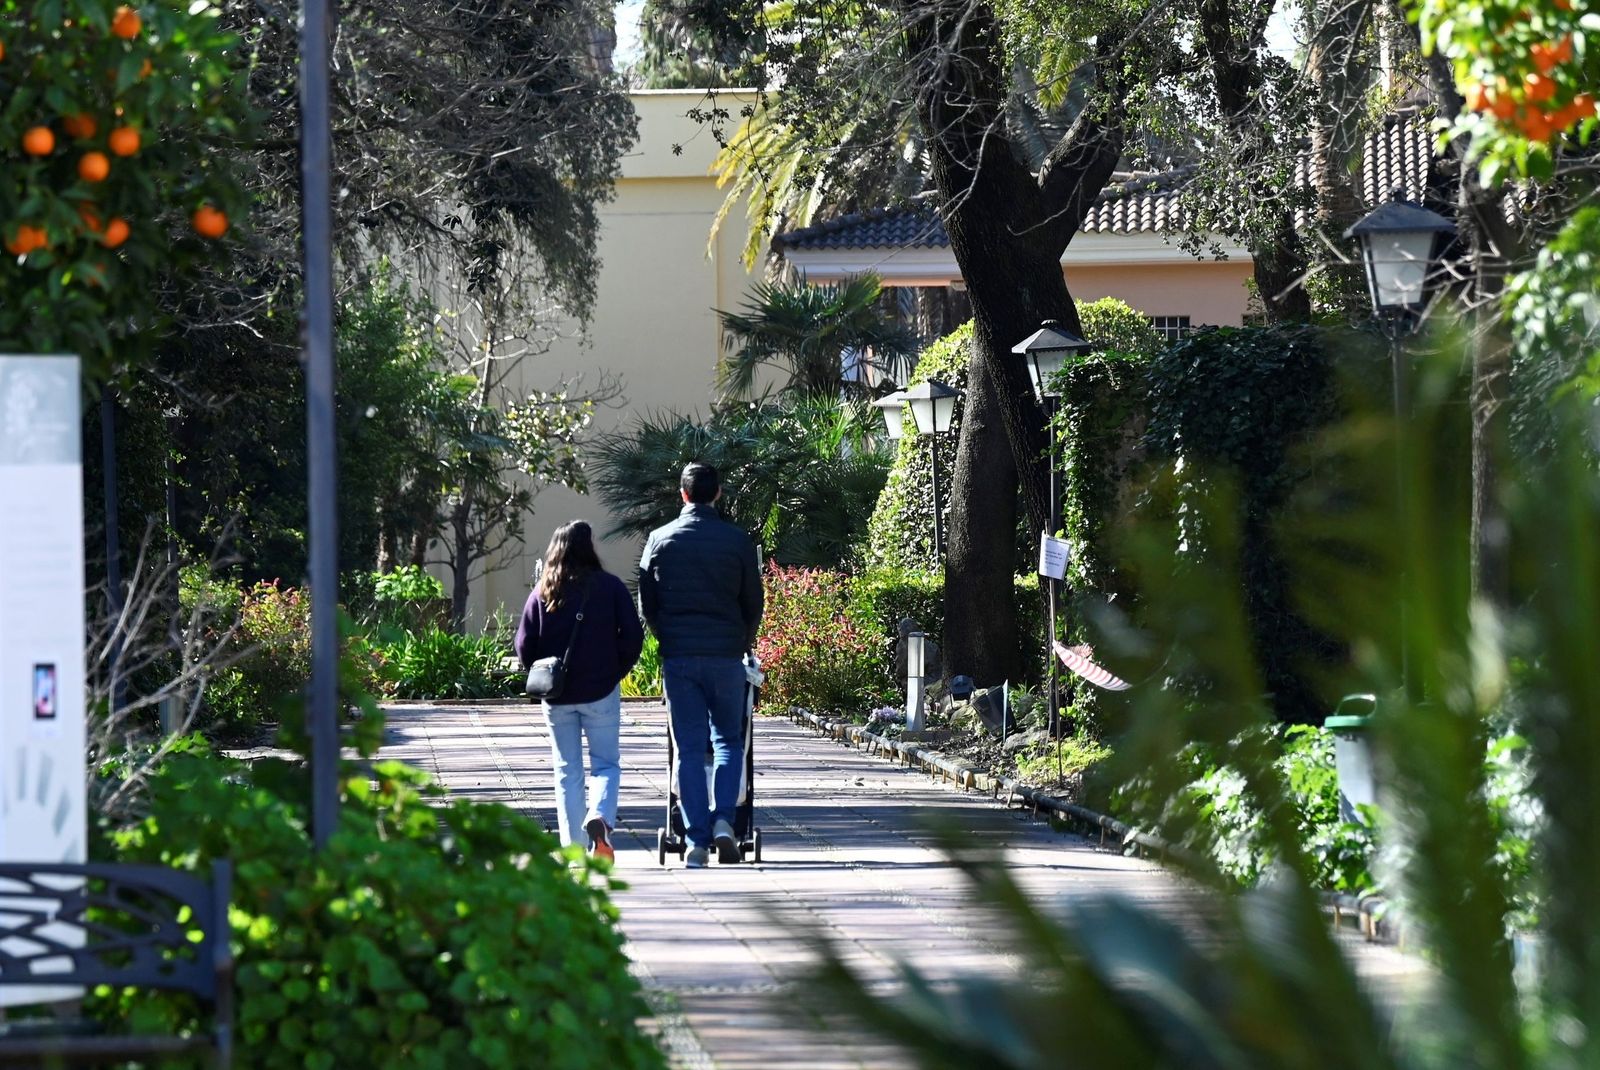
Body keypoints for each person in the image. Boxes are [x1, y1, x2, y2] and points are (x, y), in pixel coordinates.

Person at [638, 463, 763, 868]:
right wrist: (741, 643)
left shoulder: (659, 540)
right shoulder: (737, 541)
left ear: (683, 494)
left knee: (689, 749)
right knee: (728, 741)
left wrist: (667, 636)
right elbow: (753, 604)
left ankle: (695, 839)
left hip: (681, 659)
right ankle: (725, 819)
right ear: (718, 494)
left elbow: (647, 604)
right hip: (726, 656)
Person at [515, 520, 644, 862]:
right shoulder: (611, 587)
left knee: (566, 769)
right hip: (600, 690)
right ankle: (599, 818)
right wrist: (614, 671)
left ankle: (572, 850)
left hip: (557, 696)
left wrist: (541, 671)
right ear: (590, 547)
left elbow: (524, 644)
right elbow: (633, 637)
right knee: (606, 764)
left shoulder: (543, 591)